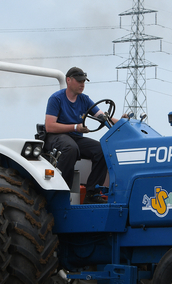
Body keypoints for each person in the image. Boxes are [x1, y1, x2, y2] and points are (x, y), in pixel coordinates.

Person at [43, 66, 119, 204]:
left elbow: (103, 116)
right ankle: (61, 192)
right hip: (56, 137)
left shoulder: (84, 99)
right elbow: (49, 126)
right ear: (68, 80)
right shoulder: (56, 99)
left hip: (75, 137)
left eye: (84, 81)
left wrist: (124, 123)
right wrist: (75, 127)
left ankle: (92, 193)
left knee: (102, 150)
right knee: (71, 148)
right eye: (79, 81)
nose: (82, 84)